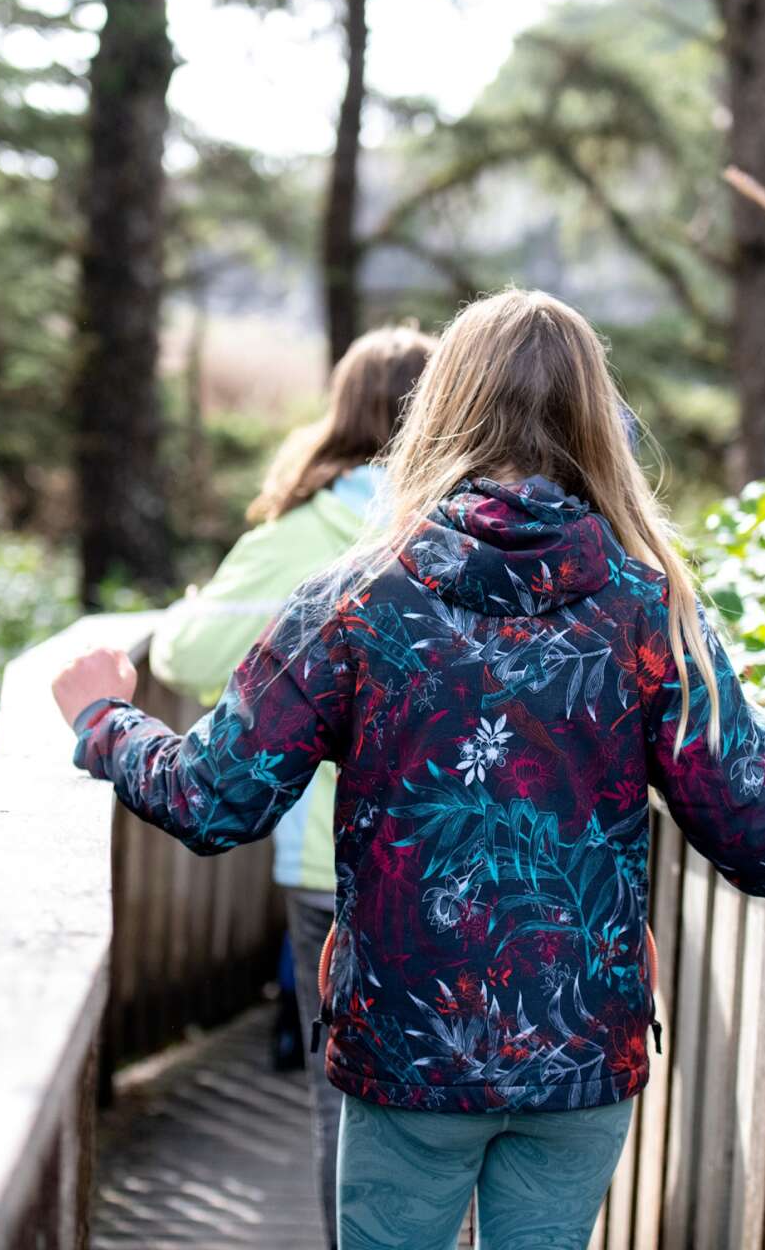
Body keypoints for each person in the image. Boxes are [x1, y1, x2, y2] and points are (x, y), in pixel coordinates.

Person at [52, 288, 765, 1250]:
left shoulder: (356, 601)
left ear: (439, 408)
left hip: (405, 1043)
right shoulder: (652, 609)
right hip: (580, 1050)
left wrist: (105, 718)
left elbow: (212, 796)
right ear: (593, 419)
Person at [147, 324, 436, 1248]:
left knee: (343, 1105)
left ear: (343, 405)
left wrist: (202, 622)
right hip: (470, 859)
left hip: (329, 858)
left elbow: (187, 654)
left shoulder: (310, 530)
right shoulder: (472, 522)